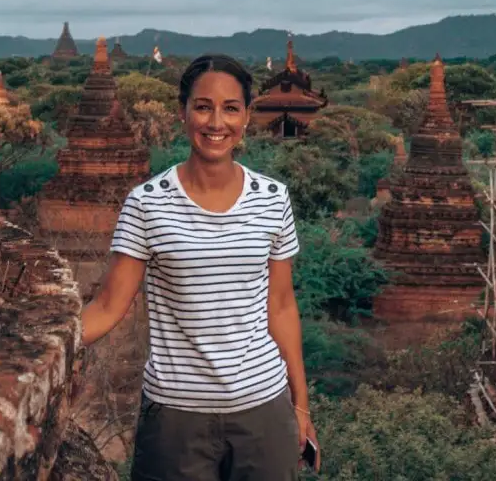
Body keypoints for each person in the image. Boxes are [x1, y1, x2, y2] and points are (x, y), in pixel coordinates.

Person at [81, 54, 318, 480]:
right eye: (203, 106)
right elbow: (108, 306)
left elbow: (281, 307)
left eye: (231, 108)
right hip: (176, 416)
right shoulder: (147, 203)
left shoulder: (272, 198)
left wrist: (299, 405)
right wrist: (42, 346)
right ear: (183, 113)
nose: (216, 123)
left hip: (263, 407)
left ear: (246, 117)